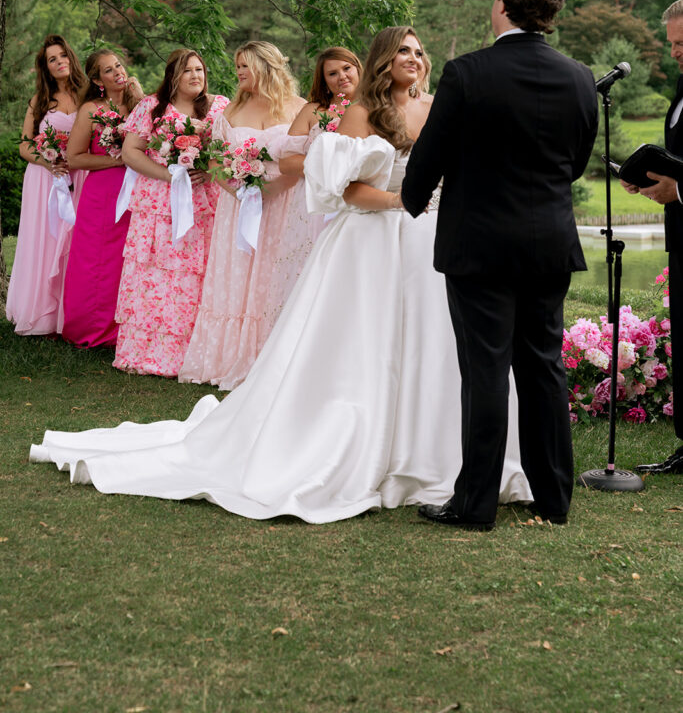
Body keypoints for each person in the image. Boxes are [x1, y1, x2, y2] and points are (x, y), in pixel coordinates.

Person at [30, 26, 531, 524]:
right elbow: (346, 190)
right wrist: (407, 202)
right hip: (377, 240)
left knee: (436, 348)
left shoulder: (441, 105)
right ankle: (364, 444)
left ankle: (440, 453)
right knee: (370, 347)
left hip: (435, 247)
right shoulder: (360, 114)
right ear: (382, 59)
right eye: (403, 50)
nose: (414, 59)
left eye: (420, 51)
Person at [402, 0, 599, 530]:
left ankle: (476, 503)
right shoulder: (579, 78)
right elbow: (576, 163)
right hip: (548, 244)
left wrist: (412, 199)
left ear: (503, 4)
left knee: (486, 370)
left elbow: (429, 160)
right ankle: (555, 497)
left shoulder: (468, 73)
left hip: (480, 245)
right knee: (543, 367)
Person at [178, 41, 306, 390]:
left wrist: (271, 191)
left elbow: (307, 159)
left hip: (284, 206)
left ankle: (276, 357)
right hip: (238, 208)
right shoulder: (230, 112)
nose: (238, 73)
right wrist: (243, 192)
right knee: (238, 276)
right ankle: (230, 356)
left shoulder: (300, 109)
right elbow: (217, 163)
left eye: (245, 66)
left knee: (275, 275)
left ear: (266, 67)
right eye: (237, 66)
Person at [113, 49, 228, 377]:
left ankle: (198, 354)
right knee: (159, 272)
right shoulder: (152, 107)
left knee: (200, 273)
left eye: (199, 69)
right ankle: (151, 355)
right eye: (187, 70)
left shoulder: (220, 107)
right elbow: (130, 151)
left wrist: (209, 170)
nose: (196, 76)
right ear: (172, 76)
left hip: (206, 200)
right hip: (159, 202)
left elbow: (229, 149)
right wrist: (169, 175)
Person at [623, 0, 683, 474]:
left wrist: (679, 188)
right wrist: (648, 180)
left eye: (682, 43)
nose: (675, 53)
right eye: (672, 44)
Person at [266, 46, 363, 327]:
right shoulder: (313, 111)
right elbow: (286, 162)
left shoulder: (376, 107)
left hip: (356, 201)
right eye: (332, 73)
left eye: (347, 68)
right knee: (309, 272)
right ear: (324, 81)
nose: (341, 76)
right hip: (312, 208)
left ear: (358, 68)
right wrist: (326, 162)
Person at [61, 50, 144, 348]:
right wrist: (118, 160)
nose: (117, 72)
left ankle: (128, 325)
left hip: (138, 192)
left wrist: (140, 96)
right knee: (97, 260)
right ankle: (92, 327)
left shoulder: (139, 103)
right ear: (97, 80)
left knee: (128, 259)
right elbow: (74, 157)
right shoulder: (91, 110)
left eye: (119, 65)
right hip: (103, 192)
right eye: (108, 71)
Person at [6, 35, 87, 335]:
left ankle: (71, 312)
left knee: (73, 242)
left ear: (70, 57)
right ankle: (42, 313)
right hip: (44, 180)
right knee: (45, 241)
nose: (59, 61)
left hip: (78, 177)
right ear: (46, 67)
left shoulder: (87, 96)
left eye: (62, 55)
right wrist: (47, 161)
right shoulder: (39, 101)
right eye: (52, 59)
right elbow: (24, 146)